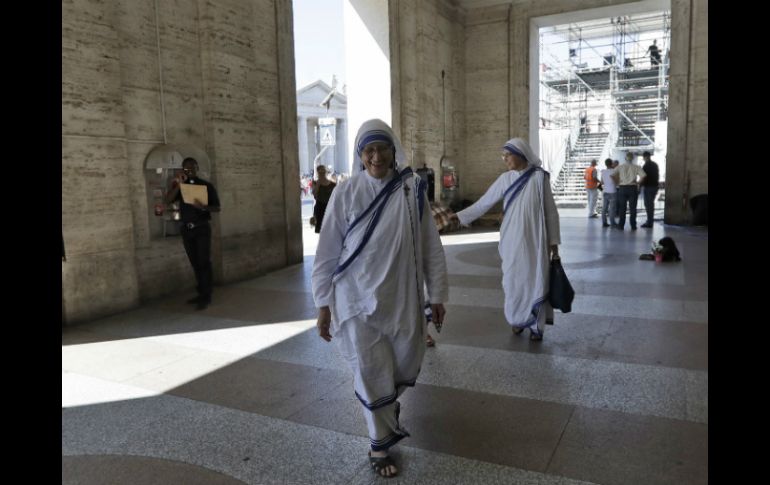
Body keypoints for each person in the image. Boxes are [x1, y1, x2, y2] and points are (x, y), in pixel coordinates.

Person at [311, 119, 448, 478]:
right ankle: (379, 444)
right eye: (368, 150)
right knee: (370, 369)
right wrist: (323, 304)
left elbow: (430, 246)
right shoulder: (346, 191)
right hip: (355, 299)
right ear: (360, 155)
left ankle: (386, 410)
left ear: (392, 150)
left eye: (382, 148)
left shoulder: (411, 190)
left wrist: (436, 294)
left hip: (401, 298)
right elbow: (327, 251)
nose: (376, 157)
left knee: (402, 363)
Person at [450, 138, 560, 341]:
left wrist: (554, 243)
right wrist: (459, 216)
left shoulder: (539, 178)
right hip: (512, 240)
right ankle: (516, 319)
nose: (505, 159)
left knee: (535, 279)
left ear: (521, 154)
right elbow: (485, 202)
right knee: (512, 280)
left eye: (508, 155)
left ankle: (535, 325)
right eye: (503, 156)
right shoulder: (505, 179)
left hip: (535, 241)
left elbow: (550, 212)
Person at [165, 157, 221, 310]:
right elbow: (167, 200)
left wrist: (203, 207)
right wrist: (178, 185)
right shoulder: (180, 186)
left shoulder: (206, 186)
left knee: (204, 262)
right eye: (186, 168)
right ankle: (201, 292)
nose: (189, 170)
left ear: (197, 168)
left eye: (192, 167)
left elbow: (217, 207)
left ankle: (206, 296)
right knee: (195, 262)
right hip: (187, 230)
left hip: (201, 228)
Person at [614, 152, 646, 231]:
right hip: (632, 188)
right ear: (633, 158)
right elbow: (643, 176)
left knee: (622, 208)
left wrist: (617, 182)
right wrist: (638, 183)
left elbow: (612, 175)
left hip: (622, 188)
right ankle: (633, 226)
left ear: (625, 158)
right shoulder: (637, 167)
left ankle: (621, 225)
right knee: (633, 208)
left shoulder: (620, 167)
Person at [311, 165, 336, 233]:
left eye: (323, 172)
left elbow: (336, 197)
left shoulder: (333, 184)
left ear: (326, 172)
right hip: (319, 209)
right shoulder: (315, 183)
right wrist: (318, 184)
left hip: (330, 208)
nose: (322, 174)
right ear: (317, 173)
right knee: (321, 230)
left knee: (330, 230)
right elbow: (314, 194)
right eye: (320, 172)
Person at [640, 151, 659, 228]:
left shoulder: (645, 166)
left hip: (648, 187)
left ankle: (649, 222)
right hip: (655, 187)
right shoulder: (655, 164)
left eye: (643, 157)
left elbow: (643, 177)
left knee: (648, 205)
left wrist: (639, 186)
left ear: (645, 157)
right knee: (651, 204)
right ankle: (650, 220)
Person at [600, 158, 619, 228]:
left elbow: (602, 182)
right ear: (611, 164)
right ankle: (612, 223)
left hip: (605, 191)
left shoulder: (603, 171)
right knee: (612, 209)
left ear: (605, 164)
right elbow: (617, 182)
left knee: (604, 208)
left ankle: (604, 222)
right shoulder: (614, 171)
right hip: (613, 192)